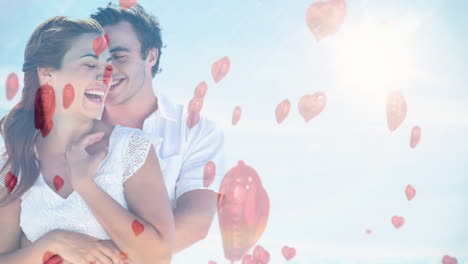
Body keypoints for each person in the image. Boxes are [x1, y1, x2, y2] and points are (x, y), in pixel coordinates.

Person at [0, 16, 174, 264]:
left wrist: (85, 185)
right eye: (90, 64)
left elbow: (158, 257)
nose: (104, 76)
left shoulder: (131, 149)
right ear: (47, 73)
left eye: (107, 65)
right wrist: (54, 243)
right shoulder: (17, 160)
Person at [89, 3, 226, 253]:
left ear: (151, 56)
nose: (105, 70)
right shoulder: (73, 124)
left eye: (118, 56)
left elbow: (195, 223)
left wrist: (99, 257)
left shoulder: (197, 131)